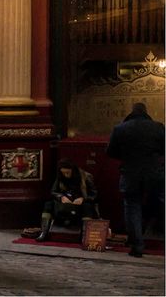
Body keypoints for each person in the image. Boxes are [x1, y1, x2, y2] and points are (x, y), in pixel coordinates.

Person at [106, 102, 165, 258]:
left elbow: (110, 152)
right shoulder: (158, 127)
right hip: (154, 172)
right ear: (146, 112)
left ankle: (137, 246)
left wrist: (126, 157)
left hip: (130, 173)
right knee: (161, 202)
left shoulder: (120, 128)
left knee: (132, 207)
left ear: (131, 112)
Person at [35, 159, 98, 242]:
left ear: (73, 170)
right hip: (64, 204)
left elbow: (94, 195)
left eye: (67, 173)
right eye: (63, 173)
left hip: (80, 204)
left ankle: (84, 235)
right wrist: (61, 197)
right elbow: (53, 191)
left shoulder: (85, 176)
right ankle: (44, 232)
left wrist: (83, 198)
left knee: (87, 207)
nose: (65, 175)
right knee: (48, 204)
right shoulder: (60, 177)